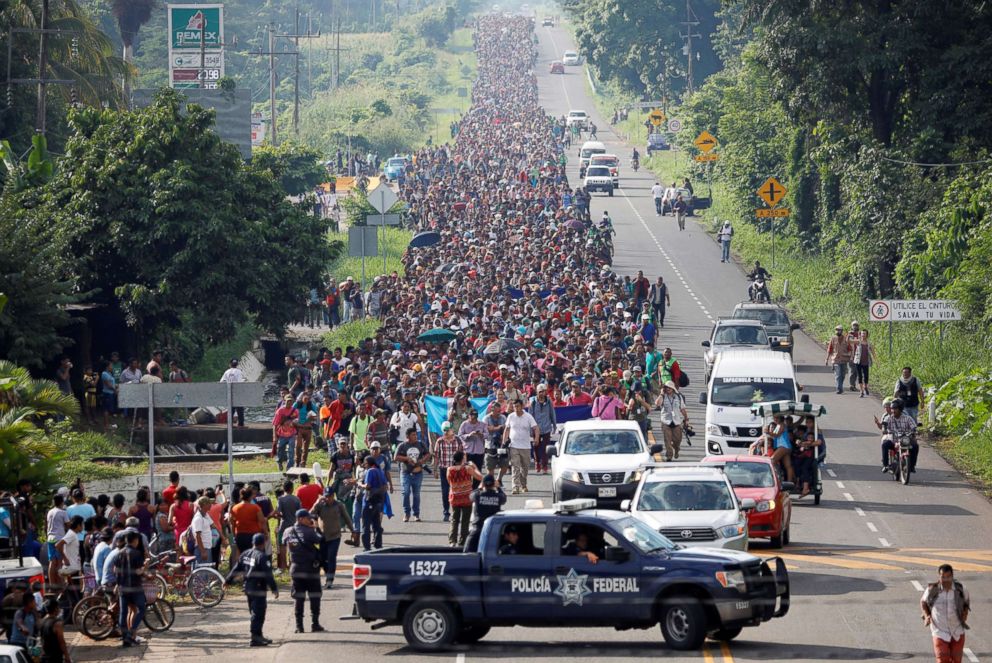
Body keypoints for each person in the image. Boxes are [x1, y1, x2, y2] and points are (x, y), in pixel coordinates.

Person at [224, 532, 278, 647]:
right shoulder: (261, 556)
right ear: (263, 543)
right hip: (258, 588)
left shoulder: (245, 554)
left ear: (253, 543)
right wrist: (274, 588)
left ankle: (259, 634)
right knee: (258, 613)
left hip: (248, 587)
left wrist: (228, 580)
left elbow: (236, 568)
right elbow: (268, 574)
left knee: (254, 611)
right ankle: (255, 637)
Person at [283, 510, 324, 633]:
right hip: (310, 569)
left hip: (296, 569)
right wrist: (316, 528)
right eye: (307, 518)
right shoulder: (309, 531)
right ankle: (315, 624)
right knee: (315, 596)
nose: (310, 520)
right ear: (300, 519)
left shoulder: (287, 531)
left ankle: (299, 626)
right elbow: (321, 541)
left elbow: (284, 544)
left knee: (299, 598)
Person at [921, 563, 970, 663]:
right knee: (942, 659)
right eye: (943, 577)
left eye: (948, 577)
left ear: (952, 577)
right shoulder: (932, 590)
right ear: (939, 577)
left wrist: (965, 614)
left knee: (956, 660)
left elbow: (966, 602)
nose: (946, 580)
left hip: (957, 631)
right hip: (939, 631)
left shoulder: (961, 589)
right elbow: (923, 602)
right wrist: (927, 615)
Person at [310, 488, 354, 589]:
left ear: (333, 496)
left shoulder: (339, 505)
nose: (327, 498)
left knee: (331, 557)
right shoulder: (320, 505)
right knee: (322, 559)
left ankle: (330, 580)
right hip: (322, 536)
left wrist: (353, 531)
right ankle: (328, 574)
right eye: (326, 496)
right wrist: (316, 503)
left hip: (335, 536)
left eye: (329, 496)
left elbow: (347, 518)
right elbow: (310, 514)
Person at [114, 531, 147, 647]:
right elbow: (138, 571)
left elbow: (115, 571)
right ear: (135, 540)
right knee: (142, 608)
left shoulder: (119, 553)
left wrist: (117, 584)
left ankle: (125, 638)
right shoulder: (137, 553)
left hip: (123, 587)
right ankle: (132, 632)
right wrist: (145, 568)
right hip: (135, 588)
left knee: (123, 613)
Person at [446, 451, 482, 548]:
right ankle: (462, 542)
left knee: (454, 519)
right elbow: (480, 477)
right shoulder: (468, 468)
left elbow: (449, 482)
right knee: (465, 521)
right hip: (466, 497)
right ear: (462, 458)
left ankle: (452, 541)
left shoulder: (449, 469)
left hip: (454, 497)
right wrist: (475, 467)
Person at [502, 399, 539, 495]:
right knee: (515, 466)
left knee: (525, 467)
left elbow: (536, 428)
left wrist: (536, 438)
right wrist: (504, 441)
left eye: (518, 406)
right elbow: (507, 429)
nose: (516, 409)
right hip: (514, 445)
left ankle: (523, 484)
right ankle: (515, 487)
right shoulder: (511, 416)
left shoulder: (528, 417)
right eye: (514, 407)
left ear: (522, 406)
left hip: (526, 446)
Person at [463, 475, 506, 552]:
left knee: (467, 552)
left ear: (483, 484)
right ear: (493, 484)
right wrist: (498, 488)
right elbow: (504, 498)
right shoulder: (498, 497)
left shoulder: (477, 495)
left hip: (477, 528)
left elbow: (470, 496)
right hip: (492, 529)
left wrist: (479, 487)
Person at [395, 428, 431, 522]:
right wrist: (407, 458)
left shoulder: (421, 444)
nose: (415, 436)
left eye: (416, 434)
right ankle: (407, 513)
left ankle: (416, 514)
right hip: (405, 473)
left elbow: (428, 454)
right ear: (407, 436)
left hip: (418, 473)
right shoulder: (402, 445)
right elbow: (395, 457)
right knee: (406, 493)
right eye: (413, 435)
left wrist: (422, 461)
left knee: (416, 494)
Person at [881, 399, 919, 473]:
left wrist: (914, 431)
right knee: (884, 445)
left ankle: (912, 466)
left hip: (905, 440)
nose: (893, 411)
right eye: (892, 408)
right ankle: (886, 465)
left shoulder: (907, 418)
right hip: (893, 440)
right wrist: (884, 430)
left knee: (915, 446)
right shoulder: (888, 418)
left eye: (895, 408)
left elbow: (913, 427)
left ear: (900, 409)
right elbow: (884, 426)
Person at [358, 456, 387, 551]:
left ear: (369, 463)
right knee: (377, 524)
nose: (364, 465)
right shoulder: (380, 471)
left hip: (368, 501)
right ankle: (378, 545)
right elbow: (384, 485)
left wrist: (359, 484)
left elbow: (368, 486)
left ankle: (367, 547)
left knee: (366, 525)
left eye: (365, 463)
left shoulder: (370, 471)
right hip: (378, 501)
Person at [654, 381, 687, 461]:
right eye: (666, 387)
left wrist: (686, 419)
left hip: (676, 421)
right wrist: (661, 394)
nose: (668, 389)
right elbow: (657, 404)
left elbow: (682, 409)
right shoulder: (663, 396)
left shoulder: (678, 397)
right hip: (666, 421)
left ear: (672, 388)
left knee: (677, 440)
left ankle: (676, 449)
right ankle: (669, 455)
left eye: (669, 387)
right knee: (667, 440)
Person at [230, 487, 266, 557]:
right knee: (255, 555)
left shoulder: (234, 508)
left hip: (240, 535)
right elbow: (262, 521)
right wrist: (265, 533)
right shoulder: (256, 508)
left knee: (242, 555)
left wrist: (234, 535)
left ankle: (242, 567)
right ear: (250, 496)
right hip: (253, 535)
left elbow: (232, 523)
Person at [529, 385, 557, 475]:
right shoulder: (532, 402)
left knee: (546, 448)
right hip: (536, 429)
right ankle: (537, 463)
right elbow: (530, 416)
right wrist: (530, 429)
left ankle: (544, 466)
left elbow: (552, 413)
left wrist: (554, 425)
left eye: (544, 391)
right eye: (540, 391)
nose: (542, 393)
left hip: (546, 428)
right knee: (536, 447)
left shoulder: (549, 401)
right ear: (537, 392)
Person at [276, 480, 301, 572]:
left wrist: (282, 516)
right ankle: (292, 564)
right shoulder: (296, 499)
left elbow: (278, 512)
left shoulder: (281, 499)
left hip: (284, 524)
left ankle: (283, 566)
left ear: (284, 488)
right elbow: (300, 513)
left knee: (282, 545)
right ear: (292, 488)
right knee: (293, 544)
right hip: (294, 524)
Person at [39, 598, 70, 663]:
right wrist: (67, 656)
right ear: (55, 609)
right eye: (58, 607)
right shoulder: (57, 624)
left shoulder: (42, 621)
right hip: (54, 657)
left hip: (44, 656)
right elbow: (61, 642)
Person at [849, 322, 875, 397]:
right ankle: (861, 391)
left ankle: (865, 386)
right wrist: (848, 335)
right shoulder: (858, 341)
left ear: (867, 335)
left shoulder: (869, 343)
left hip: (866, 362)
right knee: (860, 376)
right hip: (858, 361)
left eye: (864, 333)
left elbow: (873, 352)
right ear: (860, 335)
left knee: (866, 376)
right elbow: (849, 341)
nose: (863, 335)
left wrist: (876, 361)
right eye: (862, 333)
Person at [825, 326, 853, 395]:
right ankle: (839, 389)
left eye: (839, 330)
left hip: (844, 359)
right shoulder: (833, 338)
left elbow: (850, 349)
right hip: (836, 360)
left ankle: (840, 387)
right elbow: (830, 349)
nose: (838, 331)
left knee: (843, 375)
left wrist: (850, 356)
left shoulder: (846, 339)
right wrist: (827, 359)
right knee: (838, 375)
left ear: (842, 331)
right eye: (837, 330)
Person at [219, 359, 247, 427]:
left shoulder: (227, 372)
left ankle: (230, 424)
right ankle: (240, 424)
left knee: (231, 409)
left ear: (230, 364)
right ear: (237, 364)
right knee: (240, 409)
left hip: (229, 393)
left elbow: (222, 381)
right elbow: (239, 383)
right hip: (237, 393)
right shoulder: (239, 372)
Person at [190, 495, 215, 567]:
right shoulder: (198, 518)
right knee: (202, 573)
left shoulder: (205, 515)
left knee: (206, 570)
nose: (211, 505)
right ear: (204, 505)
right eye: (209, 503)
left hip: (207, 547)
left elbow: (213, 525)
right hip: (202, 548)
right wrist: (203, 551)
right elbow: (198, 536)